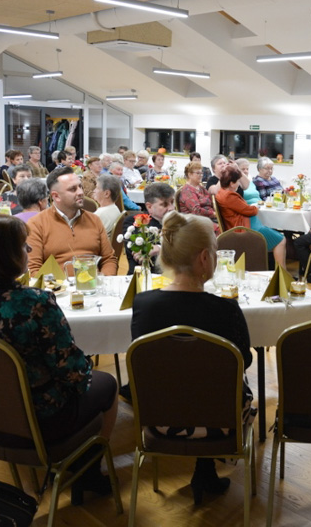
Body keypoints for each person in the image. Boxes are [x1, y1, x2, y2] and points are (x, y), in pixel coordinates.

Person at [0, 215, 119, 505]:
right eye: (23, 246)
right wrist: (86, 368)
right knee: (108, 384)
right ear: (5, 256)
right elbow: (73, 372)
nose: (28, 252)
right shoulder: (34, 302)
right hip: (38, 421)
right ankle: (88, 470)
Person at [130, 212, 253, 504]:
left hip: (159, 418)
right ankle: (206, 467)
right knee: (225, 385)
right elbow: (243, 362)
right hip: (221, 421)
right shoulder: (226, 310)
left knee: (184, 383)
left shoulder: (143, 304)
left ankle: (205, 469)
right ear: (203, 259)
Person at [26, 167, 117, 276]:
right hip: (56, 290)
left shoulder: (94, 220)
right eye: (72, 189)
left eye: (80, 187)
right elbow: (33, 269)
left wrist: (104, 281)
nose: (80, 192)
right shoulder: (36, 224)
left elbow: (109, 259)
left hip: (92, 287)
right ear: (56, 196)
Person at [216, 164, 286, 267]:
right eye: (237, 181)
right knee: (281, 240)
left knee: (275, 235)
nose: (239, 184)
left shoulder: (221, 192)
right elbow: (250, 211)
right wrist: (256, 207)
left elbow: (243, 208)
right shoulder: (230, 196)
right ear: (231, 183)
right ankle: (281, 273)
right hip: (247, 228)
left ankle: (276, 270)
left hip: (246, 224)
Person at [124, 182, 174, 274]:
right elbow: (139, 251)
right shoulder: (133, 222)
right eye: (164, 204)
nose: (171, 208)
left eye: (172, 202)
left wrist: (160, 248)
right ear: (149, 206)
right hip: (143, 276)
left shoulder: (180, 222)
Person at [178, 161, 219, 233]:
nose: (201, 175)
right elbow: (197, 211)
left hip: (208, 218)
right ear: (189, 174)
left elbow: (211, 202)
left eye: (201, 173)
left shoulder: (200, 187)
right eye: (198, 173)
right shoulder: (187, 191)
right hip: (195, 222)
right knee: (222, 231)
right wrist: (214, 214)